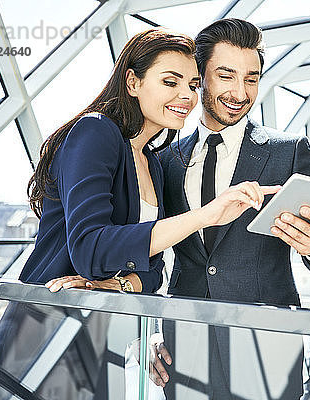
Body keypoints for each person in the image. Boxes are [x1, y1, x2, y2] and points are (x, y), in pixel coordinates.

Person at [155, 19, 310, 399]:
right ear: (199, 77)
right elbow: (150, 249)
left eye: (252, 79)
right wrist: (150, 335)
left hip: (267, 346)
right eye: (226, 76)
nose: (240, 92)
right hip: (184, 345)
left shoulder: (288, 151)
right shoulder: (166, 158)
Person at [20, 28, 278, 293]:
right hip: (47, 313)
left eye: (192, 85)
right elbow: (89, 251)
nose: (188, 96)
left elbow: (154, 272)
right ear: (133, 83)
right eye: (170, 82)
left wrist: (120, 283)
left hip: (101, 320)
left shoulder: (153, 161)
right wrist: (205, 215)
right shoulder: (95, 131)